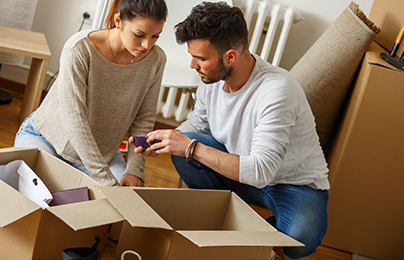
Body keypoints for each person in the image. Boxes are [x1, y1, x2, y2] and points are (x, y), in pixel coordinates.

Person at [130, 2, 330, 259]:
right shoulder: (212, 77)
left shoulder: (277, 91)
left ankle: (251, 232)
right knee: (184, 144)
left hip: (292, 184)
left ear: (230, 56)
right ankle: (220, 217)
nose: (193, 64)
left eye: (200, 58)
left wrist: (190, 146)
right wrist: (165, 140)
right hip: (241, 172)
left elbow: (260, 171)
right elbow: (197, 125)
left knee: (299, 242)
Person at [14, 0, 168, 187]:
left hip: (102, 154)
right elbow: (74, 118)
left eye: (156, 36)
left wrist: (135, 170)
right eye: (139, 34)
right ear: (118, 20)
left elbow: (143, 118)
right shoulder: (79, 48)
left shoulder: (156, 60)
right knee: (42, 196)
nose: (146, 45)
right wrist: (106, 181)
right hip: (46, 140)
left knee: (126, 203)